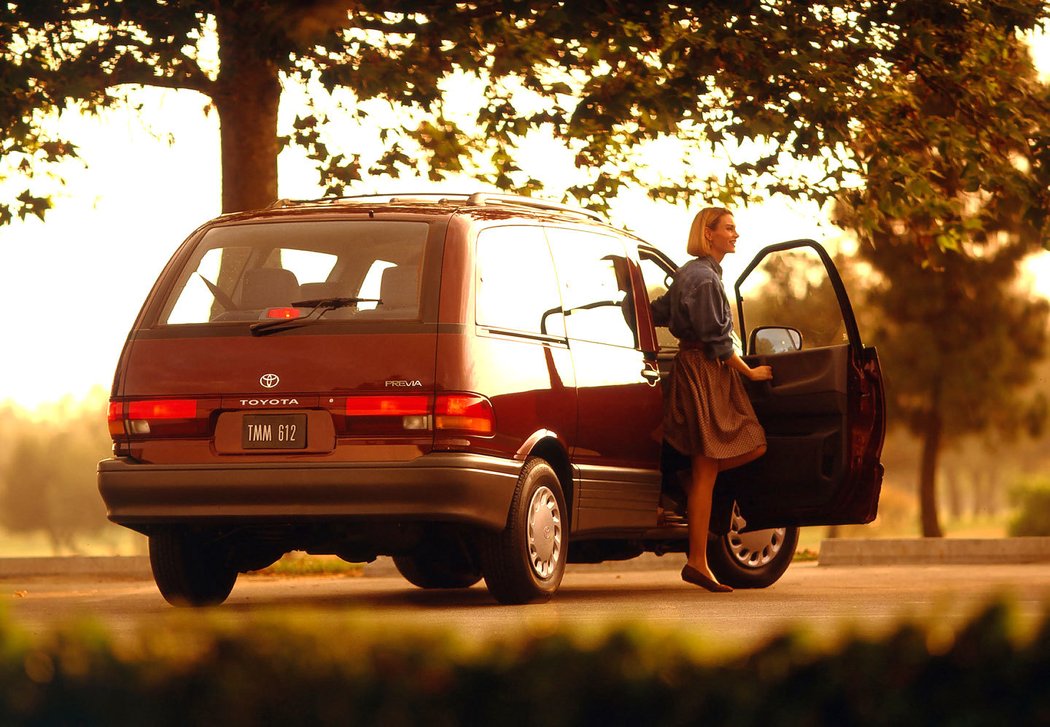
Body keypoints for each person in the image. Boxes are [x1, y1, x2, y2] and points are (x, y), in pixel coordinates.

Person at [651, 207, 773, 593]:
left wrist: (628, 298)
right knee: (749, 444)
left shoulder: (692, 273)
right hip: (703, 371)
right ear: (709, 233)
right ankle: (697, 560)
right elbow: (716, 340)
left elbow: (656, 311)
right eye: (729, 228)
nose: (736, 234)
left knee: (710, 465)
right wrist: (749, 372)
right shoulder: (703, 279)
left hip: (698, 369)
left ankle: (688, 494)